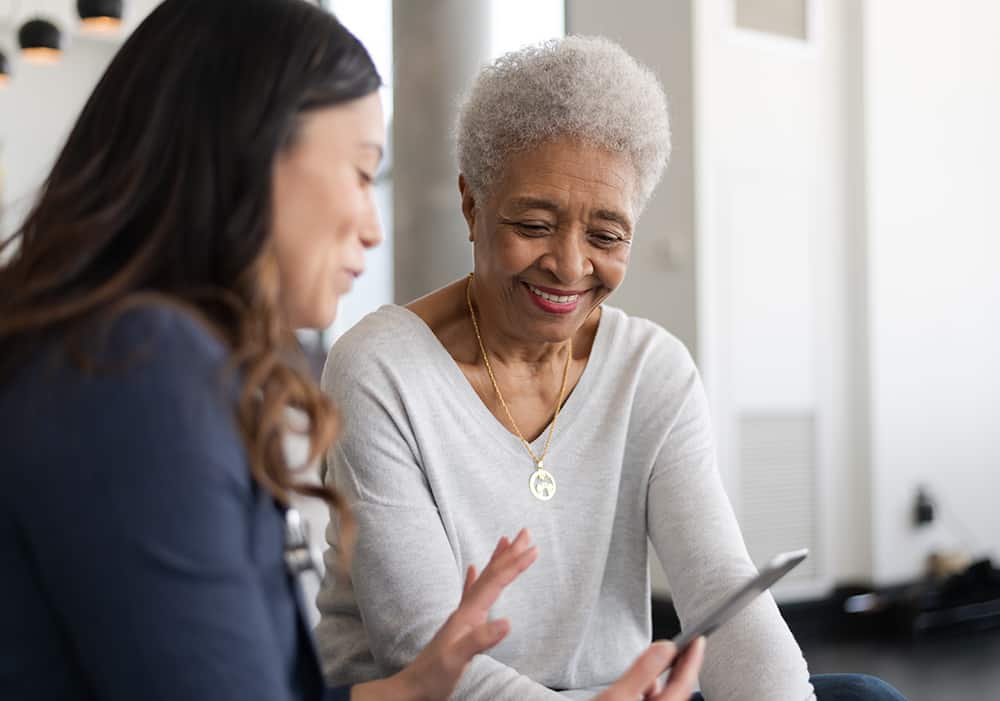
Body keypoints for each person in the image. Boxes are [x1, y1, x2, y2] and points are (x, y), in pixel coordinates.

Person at [0, 2, 706, 699]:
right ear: (246, 157)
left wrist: (413, 689)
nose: (373, 229)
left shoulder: (124, 353)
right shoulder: (138, 368)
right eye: (364, 174)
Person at [315, 36, 909, 701]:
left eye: (605, 235)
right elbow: (424, 653)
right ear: (471, 204)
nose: (570, 266)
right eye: (534, 224)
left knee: (863, 696)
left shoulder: (651, 369)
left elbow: (722, 587)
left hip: (618, 692)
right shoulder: (381, 369)